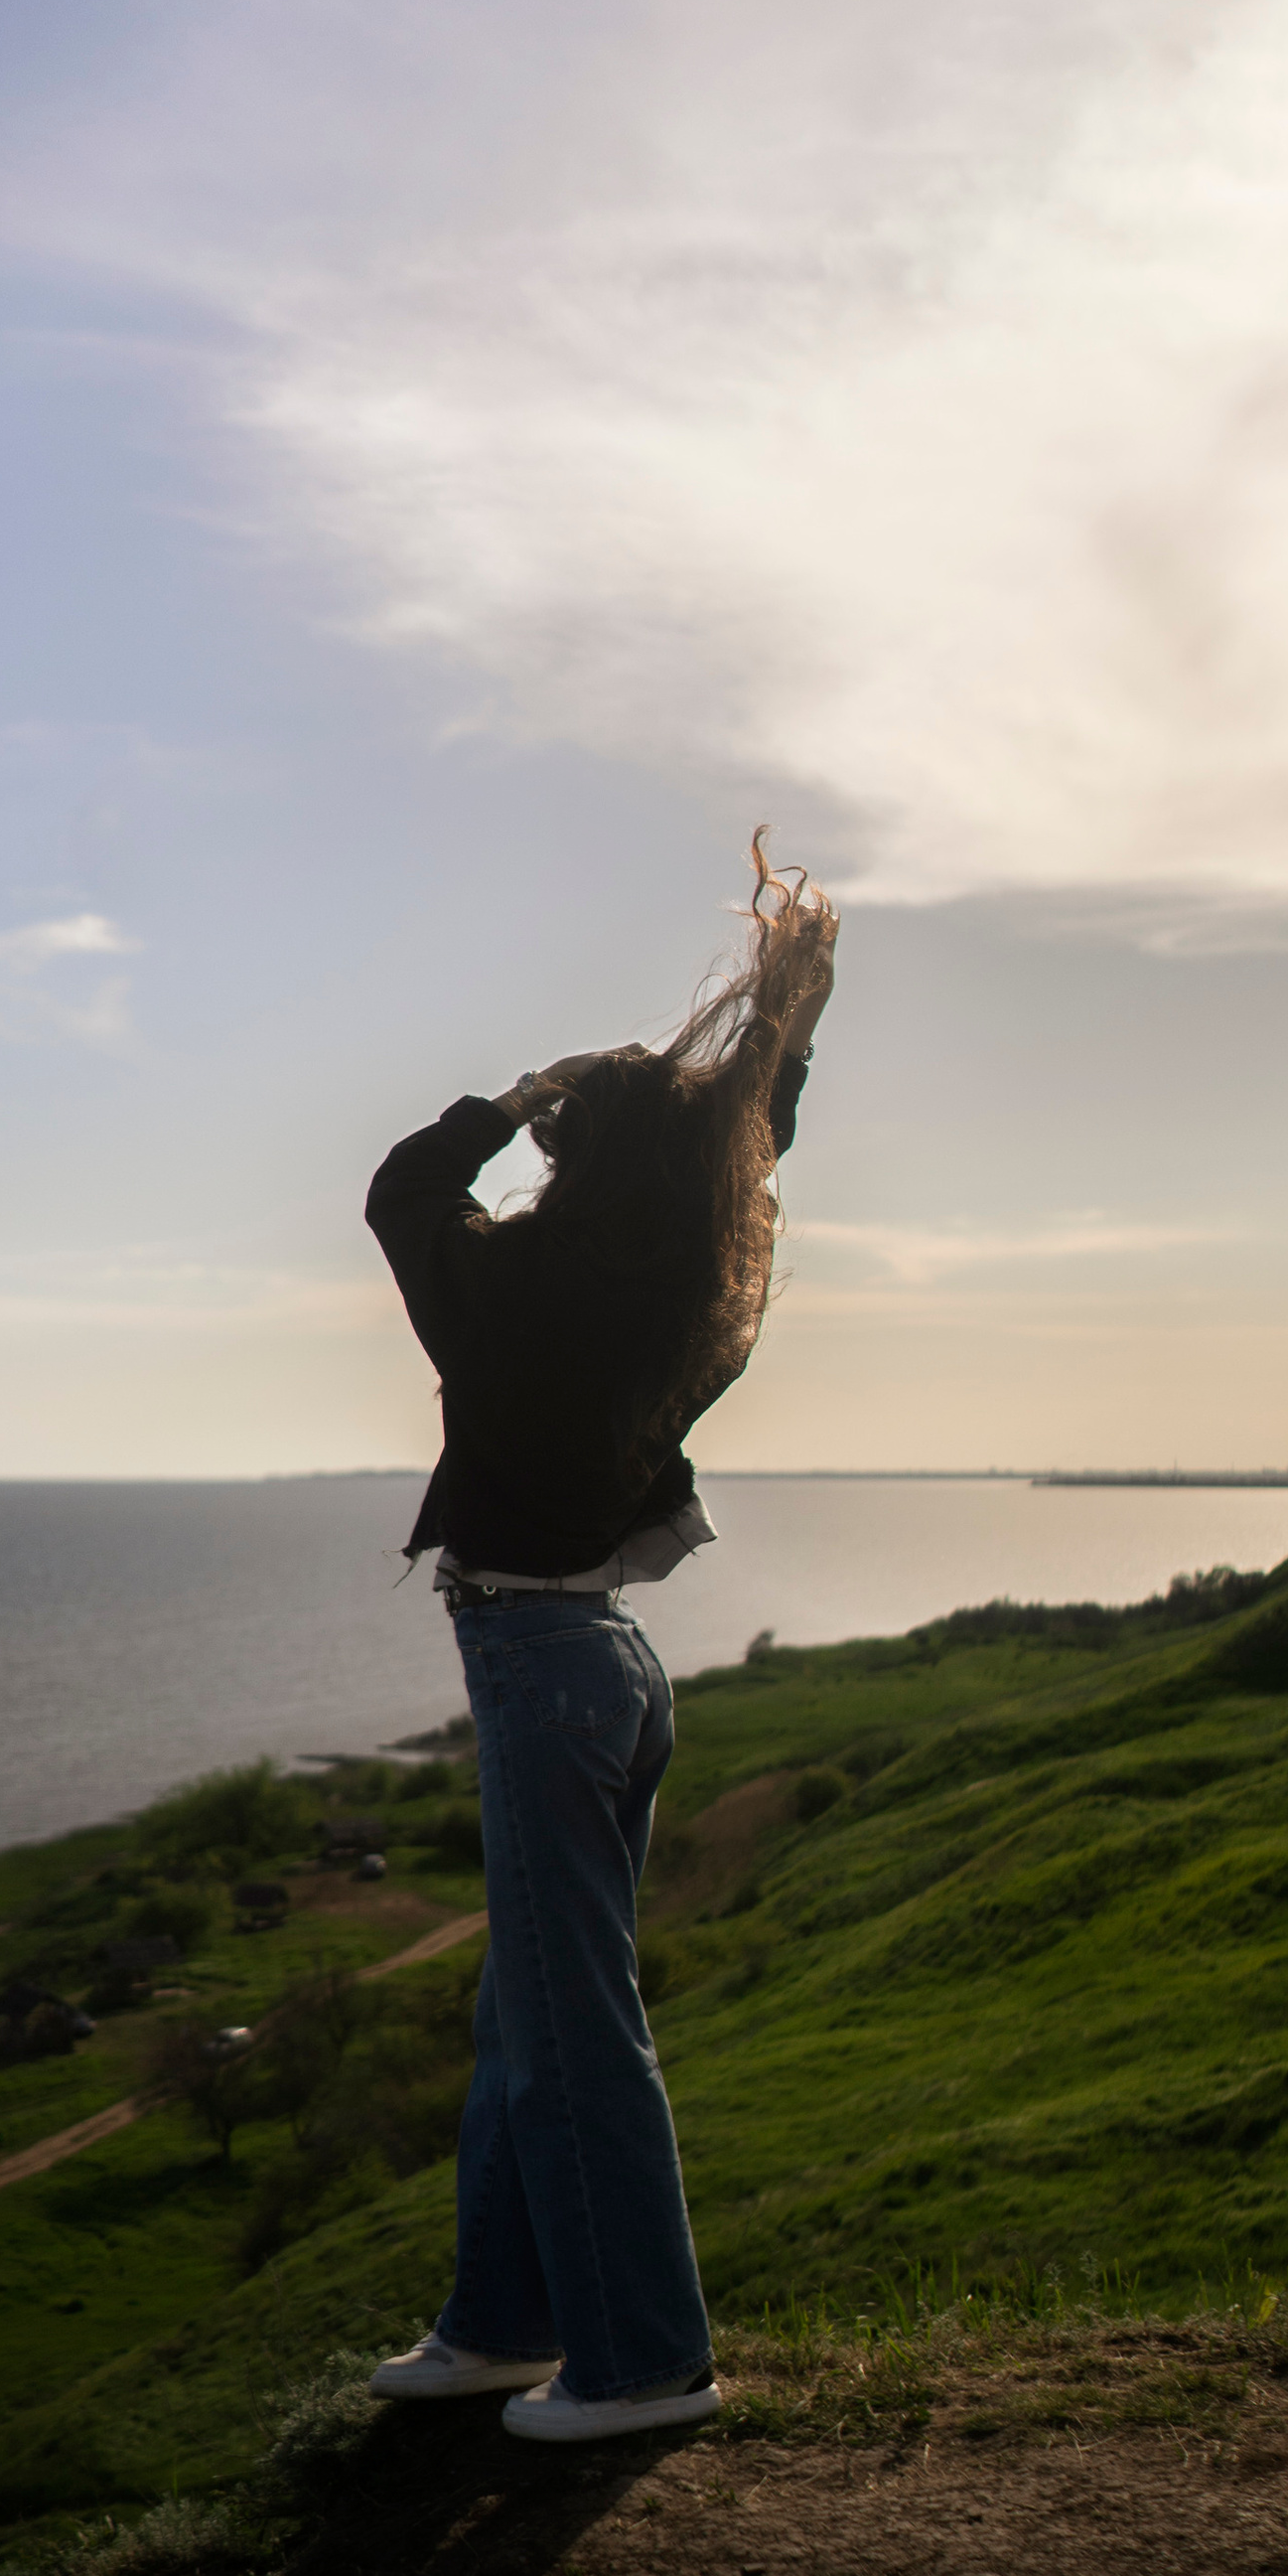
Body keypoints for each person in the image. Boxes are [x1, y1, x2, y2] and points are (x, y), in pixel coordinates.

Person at [361, 844, 838, 2443]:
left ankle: (641, 2361)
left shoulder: (508, 1290)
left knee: (572, 2029)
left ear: (571, 1159)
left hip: (544, 1674)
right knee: (531, 2017)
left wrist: (512, 1095)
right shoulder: (688, 1288)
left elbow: (403, 1190)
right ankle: (500, 2325)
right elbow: (755, 1138)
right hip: (607, 1671)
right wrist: (781, 1034)